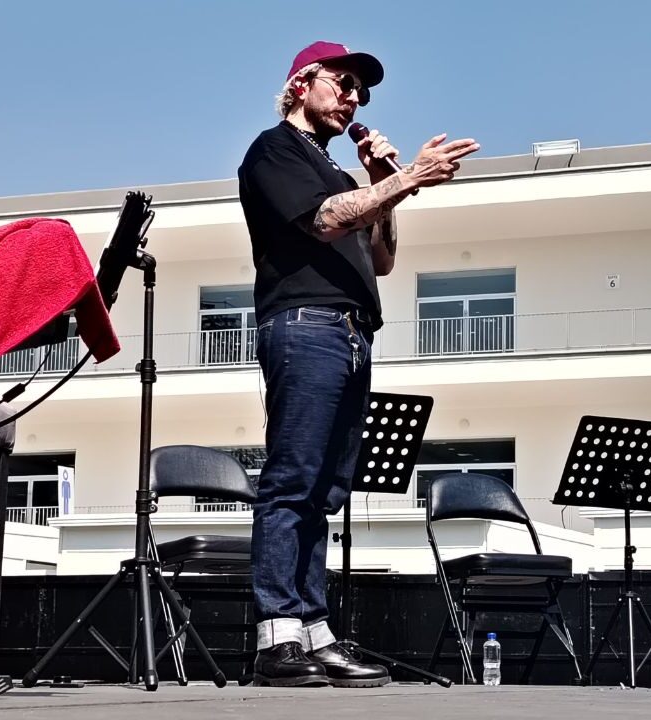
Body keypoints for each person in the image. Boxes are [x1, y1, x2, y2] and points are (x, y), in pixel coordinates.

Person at [237, 41, 479, 688]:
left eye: (361, 92)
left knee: (326, 489)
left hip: (351, 332)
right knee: (293, 480)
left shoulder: (343, 173)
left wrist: (382, 186)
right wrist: (408, 178)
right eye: (342, 83)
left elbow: (382, 259)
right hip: (306, 324)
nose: (354, 97)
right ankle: (277, 638)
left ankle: (313, 631)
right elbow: (322, 222)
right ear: (300, 84)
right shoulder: (275, 150)